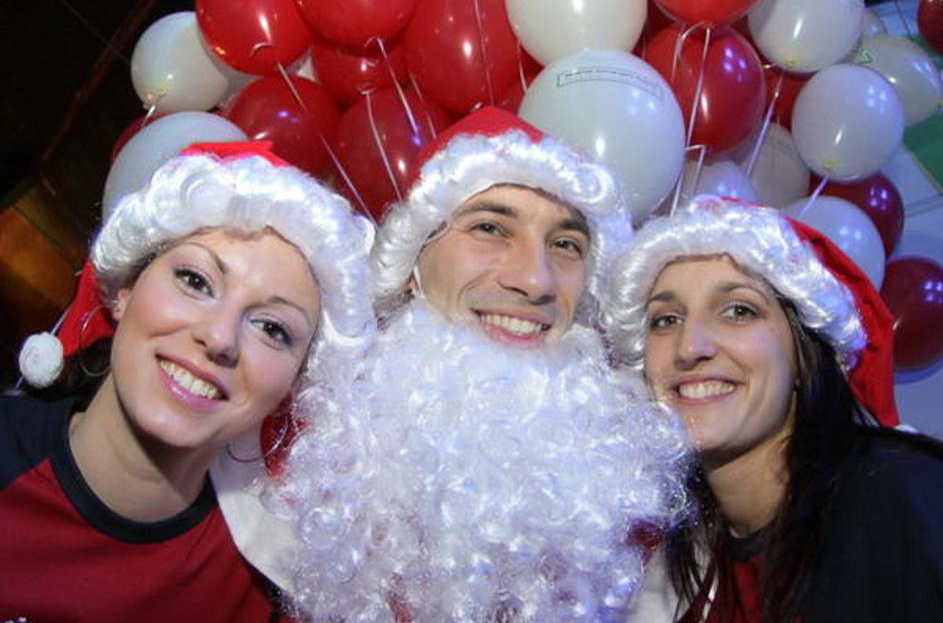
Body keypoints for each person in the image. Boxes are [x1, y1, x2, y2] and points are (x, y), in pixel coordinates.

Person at [275, 107, 692, 621]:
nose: (535, 282)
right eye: (490, 228)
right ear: (412, 265)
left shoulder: (635, 510)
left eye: (566, 244)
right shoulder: (290, 471)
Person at [1, 141, 375, 622]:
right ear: (125, 289)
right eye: (196, 281)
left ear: (291, 389)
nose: (219, 337)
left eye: (272, 328)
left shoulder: (273, 591)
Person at [603, 196, 943, 623]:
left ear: (803, 354)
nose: (690, 347)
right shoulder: (678, 561)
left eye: (738, 311)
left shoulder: (900, 498)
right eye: (666, 320)